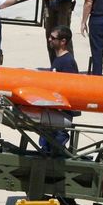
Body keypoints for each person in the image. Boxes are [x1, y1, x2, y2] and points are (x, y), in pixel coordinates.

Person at [39, 26, 80, 154]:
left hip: (61, 113)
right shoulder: (58, 60)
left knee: (54, 146)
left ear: (63, 41)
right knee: (46, 144)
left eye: (53, 38)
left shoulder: (67, 62)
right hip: (54, 111)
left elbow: (70, 87)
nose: (49, 39)